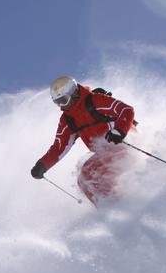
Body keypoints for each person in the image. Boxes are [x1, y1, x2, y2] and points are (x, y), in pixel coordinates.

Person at [30, 75, 136, 206]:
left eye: (63, 100)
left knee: (89, 172)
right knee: (85, 180)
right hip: (105, 153)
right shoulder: (68, 120)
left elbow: (126, 110)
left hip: (126, 142)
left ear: (73, 94)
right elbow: (59, 146)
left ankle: (123, 203)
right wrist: (42, 165)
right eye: (58, 102)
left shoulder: (95, 101)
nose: (61, 106)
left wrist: (119, 131)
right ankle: (111, 208)